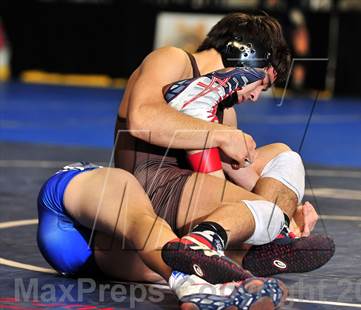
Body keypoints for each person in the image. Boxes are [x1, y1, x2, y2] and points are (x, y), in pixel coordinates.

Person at [113, 11, 332, 282]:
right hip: (152, 189)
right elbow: (141, 118)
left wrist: (290, 209)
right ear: (246, 56)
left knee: (284, 157)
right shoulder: (174, 59)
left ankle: (265, 235)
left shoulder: (224, 110)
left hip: (192, 193)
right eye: (261, 83)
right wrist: (219, 135)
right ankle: (254, 240)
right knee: (269, 213)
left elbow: (237, 179)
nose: (254, 96)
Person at [37, 162, 287, 309]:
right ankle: (199, 283)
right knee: (142, 224)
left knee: (159, 260)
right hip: (70, 189)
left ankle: (210, 288)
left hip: (86, 259)